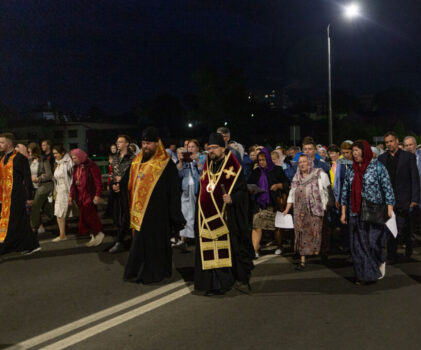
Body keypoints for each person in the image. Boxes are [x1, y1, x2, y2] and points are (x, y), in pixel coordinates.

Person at [195, 132, 254, 295]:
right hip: (207, 217)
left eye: (214, 148)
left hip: (229, 217)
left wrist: (232, 198)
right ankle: (213, 284)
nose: (211, 151)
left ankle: (235, 280)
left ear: (223, 148)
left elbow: (243, 192)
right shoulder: (209, 164)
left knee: (232, 250)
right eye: (209, 148)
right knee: (210, 249)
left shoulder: (233, 167)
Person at [124, 127, 185, 284]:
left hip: (158, 214)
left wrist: (175, 215)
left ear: (157, 143)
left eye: (149, 143)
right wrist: (117, 186)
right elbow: (128, 181)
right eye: (143, 143)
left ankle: (155, 272)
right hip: (139, 214)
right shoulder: (137, 161)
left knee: (155, 245)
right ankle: (138, 271)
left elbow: (174, 191)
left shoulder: (165, 164)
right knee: (139, 244)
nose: (145, 146)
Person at [340, 140, 395, 285]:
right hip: (355, 212)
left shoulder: (377, 167)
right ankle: (365, 275)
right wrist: (343, 212)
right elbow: (345, 191)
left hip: (373, 212)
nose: (354, 154)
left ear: (365, 152)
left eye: (357, 151)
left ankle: (379, 260)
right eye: (353, 151)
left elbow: (387, 187)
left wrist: (389, 207)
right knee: (358, 247)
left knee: (372, 243)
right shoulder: (351, 169)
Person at [283, 154, 330, 270]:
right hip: (300, 211)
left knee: (317, 232)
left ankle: (321, 253)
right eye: (300, 162)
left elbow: (326, 190)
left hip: (315, 210)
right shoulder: (296, 177)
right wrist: (287, 209)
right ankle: (302, 260)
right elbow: (292, 194)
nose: (302, 164)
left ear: (309, 162)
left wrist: (326, 205)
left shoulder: (319, 174)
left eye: (304, 161)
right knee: (301, 233)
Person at [378, 132, 420, 259]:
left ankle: (408, 246)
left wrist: (414, 199)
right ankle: (392, 252)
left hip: (405, 198)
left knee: (405, 226)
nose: (389, 144)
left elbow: (415, 178)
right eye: (387, 142)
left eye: (391, 141)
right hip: (388, 199)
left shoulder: (408, 157)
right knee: (390, 226)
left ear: (397, 141)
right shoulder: (382, 158)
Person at [0, 133, 40, 256]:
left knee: (16, 220)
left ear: (9, 143)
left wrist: (30, 197)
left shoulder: (20, 158)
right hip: (6, 196)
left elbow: (27, 179)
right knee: (19, 221)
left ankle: (7, 246)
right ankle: (31, 245)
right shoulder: (3, 158)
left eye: (1, 142)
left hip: (17, 195)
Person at [248, 148, 289, 258]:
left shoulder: (277, 170)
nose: (261, 162)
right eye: (260, 160)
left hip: (274, 203)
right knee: (256, 225)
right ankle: (255, 250)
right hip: (259, 204)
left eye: (264, 160)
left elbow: (286, 184)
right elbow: (249, 184)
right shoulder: (256, 172)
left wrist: (278, 186)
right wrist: (251, 189)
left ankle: (279, 246)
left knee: (276, 227)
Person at [69, 148, 105, 247]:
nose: (73, 160)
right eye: (72, 158)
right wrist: (70, 196)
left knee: (90, 215)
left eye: (75, 158)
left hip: (89, 195)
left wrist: (97, 194)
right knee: (85, 217)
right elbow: (73, 183)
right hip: (80, 196)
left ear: (80, 156)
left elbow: (98, 182)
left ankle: (99, 232)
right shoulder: (76, 167)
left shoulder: (91, 166)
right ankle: (93, 236)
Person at [176, 139, 206, 250]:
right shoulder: (184, 159)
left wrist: (197, 160)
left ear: (198, 148)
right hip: (185, 188)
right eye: (189, 147)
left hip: (197, 188)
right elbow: (178, 174)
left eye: (193, 147)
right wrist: (180, 162)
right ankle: (183, 238)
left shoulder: (203, 158)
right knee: (184, 212)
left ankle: (195, 236)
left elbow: (203, 173)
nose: (191, 149)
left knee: (193, 213)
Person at [108, 135, 135, 253]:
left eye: (120, 142)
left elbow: (134, 175)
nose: (118, 144)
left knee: (127, 215)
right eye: (117, 142)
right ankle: (122, 239)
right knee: (118, 215)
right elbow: (114, 174)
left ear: (127, 144)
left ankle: (120, 241)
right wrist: (114, 184)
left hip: (128, 191)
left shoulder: (133, 158)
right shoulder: (115, 158)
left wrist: (122, 182)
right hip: (117, 191)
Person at [27, 142, 54, 234]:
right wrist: (31, 177)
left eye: (30, 152)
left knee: (35, 205)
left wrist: (38, 179)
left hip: (44, 186)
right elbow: (28, 174)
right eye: (28, 152)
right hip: (34, 187)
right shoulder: (29, 161)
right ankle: (58, 217)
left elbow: (49, 175)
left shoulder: (44, 160)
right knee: (44, 206)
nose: (29, 154)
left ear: (35, 151)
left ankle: (33, 227)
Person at [52, 145, 74, 242]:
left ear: (62, 153)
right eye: (54, 153)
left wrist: (71, 193)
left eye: (56, 153)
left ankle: (62, 235)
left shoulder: (68, 162)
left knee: (60, 212)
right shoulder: (57, 163)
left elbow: (73, 177)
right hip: (59, 190)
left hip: (66, 189)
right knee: (59, 213)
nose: (55, 155)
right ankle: (62, 234)